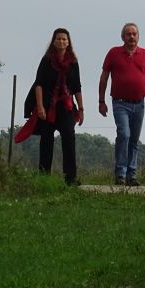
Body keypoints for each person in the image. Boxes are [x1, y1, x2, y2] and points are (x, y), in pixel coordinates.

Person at [98, 22, 145, 186]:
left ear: (138, 36)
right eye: (128, 34)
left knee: (134, 139)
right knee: (124, 134)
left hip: (139, 104)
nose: (131, 37)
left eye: (134, 34)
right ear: (122, 37)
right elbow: (104, 78)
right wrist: (101, 101)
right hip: (120, 103)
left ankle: (131, 175)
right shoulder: (114, 53)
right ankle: (120, 173)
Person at [23, 27, 85, 185]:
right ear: (54, 41)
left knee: (69, 137)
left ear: (68, 42)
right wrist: (40, 106)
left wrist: (81, 109)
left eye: (64, 39)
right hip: (47, 106)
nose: (61, 41)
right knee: (46, 140)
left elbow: (77, 87)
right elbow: (39, 84)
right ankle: (44, 178)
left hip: (66, 106)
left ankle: (70, 179)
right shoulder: (47, 60)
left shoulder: (73, 62)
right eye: (58, 39)